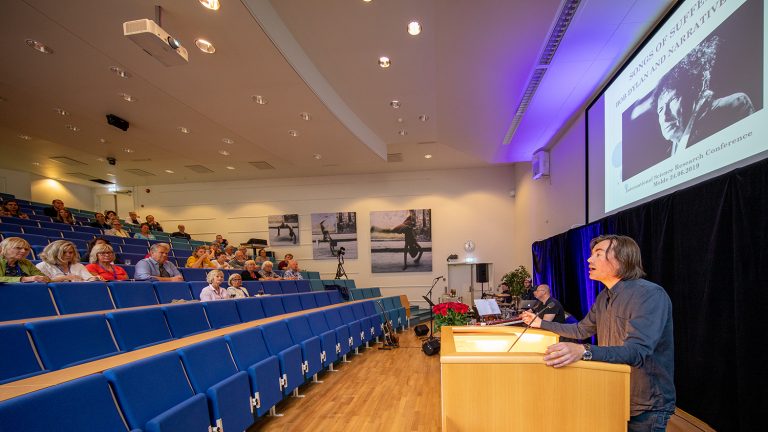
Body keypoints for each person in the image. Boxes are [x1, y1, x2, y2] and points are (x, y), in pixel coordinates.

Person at [520, 235, 675, 430]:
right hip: (613, 391)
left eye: (598, 254)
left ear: (622, 259)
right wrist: (540, 323)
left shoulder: (649, 294)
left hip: (646, 403)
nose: (589, 259)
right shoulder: (604, 296)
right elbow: (581, 329)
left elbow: (637, 351)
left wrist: (583, 351)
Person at [654, 36, 754, 156]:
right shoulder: (672, 151)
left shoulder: (732, 106)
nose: (665, 116)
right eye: (660, 109)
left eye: (673, 100)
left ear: (693, 95)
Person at [36, 240, 101, 281]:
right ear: (54, 253)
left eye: (70, 252)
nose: (68, 255)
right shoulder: (42, 266)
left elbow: (89, 278)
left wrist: (95, 278)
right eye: (64, 252)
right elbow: (42, 283)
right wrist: (65, 278)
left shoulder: (78, 266)